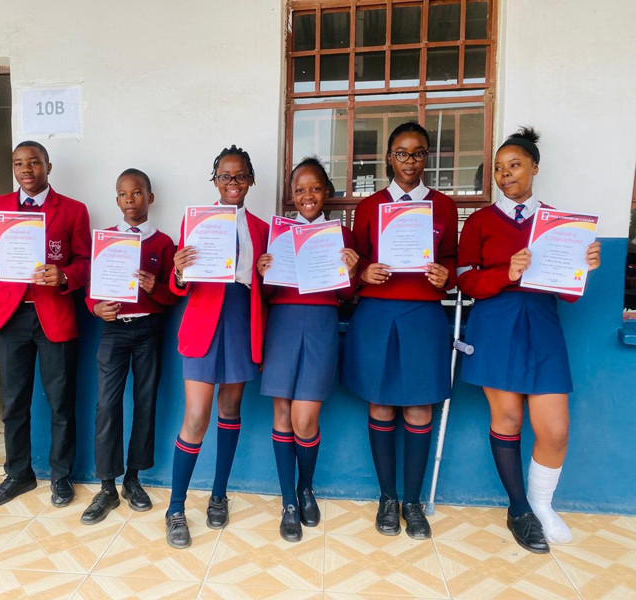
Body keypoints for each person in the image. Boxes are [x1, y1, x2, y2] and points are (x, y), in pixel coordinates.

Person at [457, 127, 601, 553]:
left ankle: (541, 504)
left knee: (555, 430)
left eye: (515, 165)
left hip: (542, 325)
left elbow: (569, 294)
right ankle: (519, 509)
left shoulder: (561, 224)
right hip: (495, 323)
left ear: (535, 168)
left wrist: (584, 267)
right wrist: (507, 273)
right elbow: (465, 281)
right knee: (508, 421)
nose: (506, 175)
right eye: (499, 169)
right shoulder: (480, 221)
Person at [342, 122, 458, 540]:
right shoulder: (369, 206)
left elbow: (453, 262)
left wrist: (446, 275)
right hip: (377, 315)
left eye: (419, 153)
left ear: (428, 157)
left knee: (419, 408)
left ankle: (413, 502)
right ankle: (388, 498)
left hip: (423, 315)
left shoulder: (443, 206)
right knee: (381, 405)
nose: (410, 161)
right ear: (389, 157)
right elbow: (353, 262)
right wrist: (363, 273)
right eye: (402, 153)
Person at [165, 145, 269, 548]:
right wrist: (178, 269)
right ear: (215, 181)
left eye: (240, 175)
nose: (233, 183)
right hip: (203, 323)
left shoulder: (261, 228)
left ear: (251, 180)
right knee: (196, 416)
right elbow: (181, 283)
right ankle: (176, 508)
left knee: (230, 408)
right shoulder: (196, 221)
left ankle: (219, 495)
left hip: (241, 321)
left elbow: (266, 286)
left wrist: (265, 273)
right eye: (225, 176)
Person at [0, 141, 91, 508]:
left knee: (61, 402)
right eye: (18, 163)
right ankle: (18, 474)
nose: (26, 169)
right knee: (13, 403)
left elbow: (85, 261)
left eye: (34, 162)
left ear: (48, 166)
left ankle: (61, 476)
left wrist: (65, 276)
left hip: (54, 316)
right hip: (9, 317)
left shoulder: (73, 209)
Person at [256, 157, 358, 542]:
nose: (307, 195)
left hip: (320, 325)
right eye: (300, 190)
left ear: (326, 192)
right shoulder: (278, 233)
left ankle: (305, 487)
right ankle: (288, 501)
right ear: (292, 196)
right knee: (282, 413)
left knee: (305, 418)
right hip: (282, 325)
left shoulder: (341, 235)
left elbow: (346, 295)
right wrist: (264, 272)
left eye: (315, 188)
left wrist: (350, 271)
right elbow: (267, 293)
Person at [81, 168, 177, 524]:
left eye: (137, 193)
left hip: (149, 329)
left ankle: (133, 479)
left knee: (145, 401)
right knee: (107, 405)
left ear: (150, 197)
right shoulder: (106, 239)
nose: (130, 200)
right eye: (122, 194)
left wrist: (155, 288)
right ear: (117, 200)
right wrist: (96, 308)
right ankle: (107, 486)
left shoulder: (163, 243)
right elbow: (91, 289)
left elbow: (171, 296)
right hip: (114, 331)